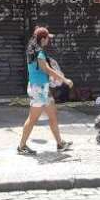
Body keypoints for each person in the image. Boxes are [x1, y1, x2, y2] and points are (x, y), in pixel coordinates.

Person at [17, 27, 74, 155]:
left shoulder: (33, 49)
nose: (49, 40)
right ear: (43, 39)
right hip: (39, 89)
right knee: (32, 119)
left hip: (42, 88)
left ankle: (60, 143)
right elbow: (46, 69)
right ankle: (21, 146)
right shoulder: (39, 52)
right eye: (48, 38)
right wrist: (64, 79)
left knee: (53, 115)